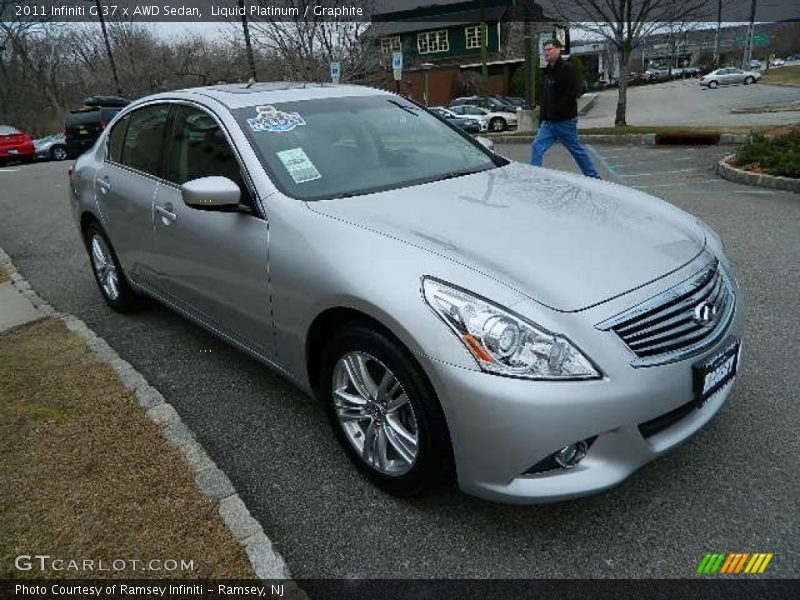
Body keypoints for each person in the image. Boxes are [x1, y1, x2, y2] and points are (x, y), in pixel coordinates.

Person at [531, 38, 600, 179]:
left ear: (558, 49)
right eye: (544, 50)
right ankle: (534, 177)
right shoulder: (549, 71)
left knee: (576, 150)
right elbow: (546, 98)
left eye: (549, 49)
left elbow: (573, 93)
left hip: (564, 121)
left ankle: (594, 177)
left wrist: (557, 110)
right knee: (537, 146)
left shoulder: (567, 69)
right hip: (548, 123)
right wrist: (543, 118)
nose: (546, 52)